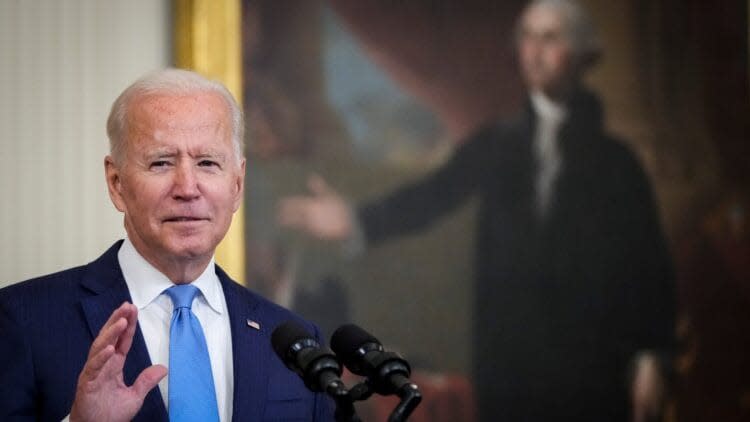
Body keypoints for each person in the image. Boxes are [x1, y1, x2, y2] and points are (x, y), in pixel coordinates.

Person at [278, 1, 675, 420]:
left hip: (592, 368)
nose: (535, 51)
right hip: (510, 368)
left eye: (550, 38)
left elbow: (646, 262)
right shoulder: (498, 144)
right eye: (527, 38)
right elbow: (433, 196)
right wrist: (355, 220)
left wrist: (651, 354)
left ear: (580, 55)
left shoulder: (616, 163)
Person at [0, 69, 333, 421]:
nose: (187, 188)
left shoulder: (294, 342)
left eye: (208, 163)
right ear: (116, 184)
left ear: (237, 185)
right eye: (161, 163)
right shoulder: (22, 320)